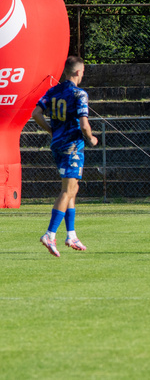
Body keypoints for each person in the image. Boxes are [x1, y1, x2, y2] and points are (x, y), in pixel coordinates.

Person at [31, 56, 99, 257]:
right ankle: (50, 234)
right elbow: (84, 125)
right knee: (67, 191)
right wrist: (91, 138)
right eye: (83, 71)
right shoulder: (80, 94)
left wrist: (52, 131)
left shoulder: (53, 91)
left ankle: (71, 234)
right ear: (78, 72)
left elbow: (36, 113)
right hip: (72, 147)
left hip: (57, 145)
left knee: (73, 188)